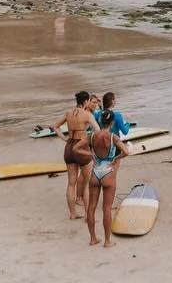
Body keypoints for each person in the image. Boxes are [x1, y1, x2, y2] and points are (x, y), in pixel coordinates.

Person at [51, 91, 98, 219]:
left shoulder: (68, 113)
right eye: (89, 101)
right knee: (88, 183)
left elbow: (55, 127)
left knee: (71, 183)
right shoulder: (87, 114)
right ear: (86, 101)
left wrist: (65, 139)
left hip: (69, 146)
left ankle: (72, 213)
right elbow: (98, 131)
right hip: (81, 147)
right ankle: (88, 216)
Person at [85, 127, 129, 248]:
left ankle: (93, 239)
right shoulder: (112, 137)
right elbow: (126, 151)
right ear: (111, 123)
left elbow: (76, 148)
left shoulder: (92, 136)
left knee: (91, 207)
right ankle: (107, 241)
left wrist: (91, 156)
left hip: (95, 172)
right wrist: (116, 158)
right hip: (108, 172)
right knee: (107, 208)